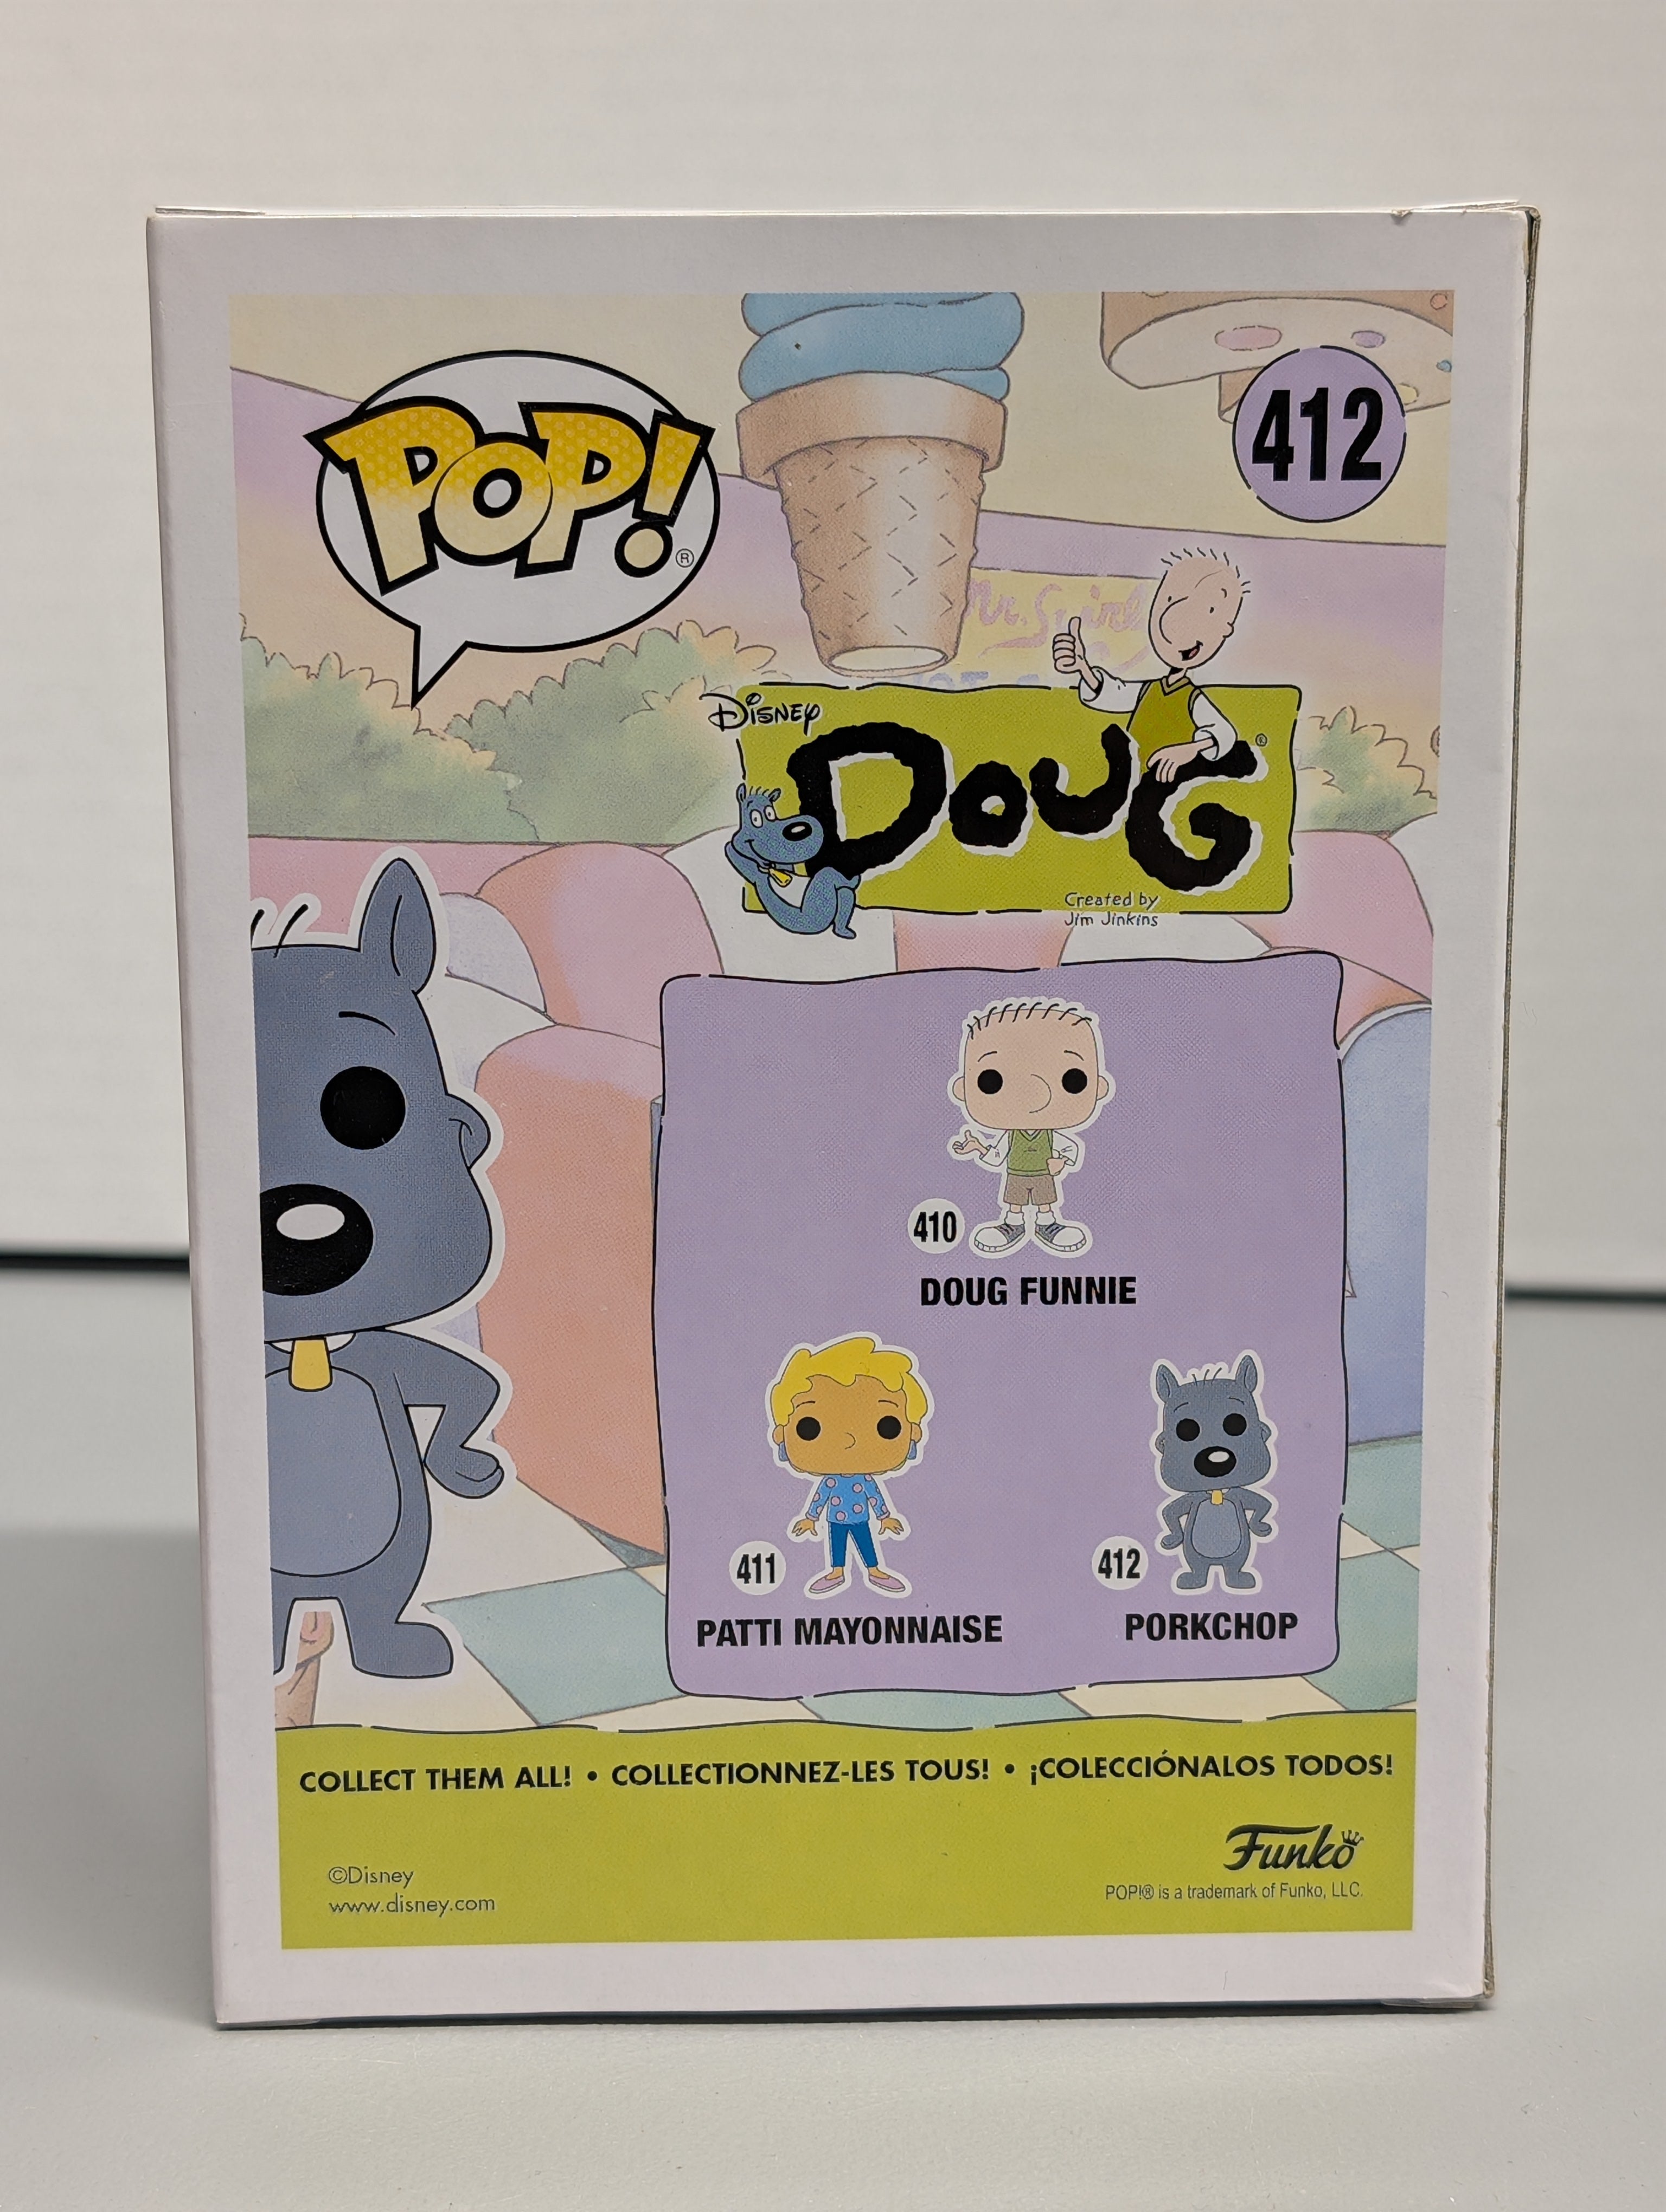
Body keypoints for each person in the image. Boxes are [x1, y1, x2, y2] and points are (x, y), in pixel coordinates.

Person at [1052, 549, 1247, 781]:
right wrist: (1083, 668)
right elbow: (1114, 693)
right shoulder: (1149, 690)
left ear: (1225, 629)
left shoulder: (1191, 698)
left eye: (1210, 610)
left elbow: (1223, 732)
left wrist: (1190, 749)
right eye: (1170, 599)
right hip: (1131, 777)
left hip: (1166, 783)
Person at [951, 997, 1112, 1256]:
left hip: (1043, 1175)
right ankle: (1012, 1226)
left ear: (1099, 1087)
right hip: (1016, 1174)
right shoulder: (1010, 1136)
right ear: (963, 1089)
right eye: (991, 1080)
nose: (1035, 1094)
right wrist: (978, 1147)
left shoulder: (1052, 1136)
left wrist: (1061, 1162)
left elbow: (1070, 1149)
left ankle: (1047, 1225)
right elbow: (996, 1156)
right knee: (1014, 1203)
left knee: (1045, 1202)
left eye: (1072, 1079)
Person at [772, 1335, 930, 1599]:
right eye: (810, 1427)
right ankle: (837, 1572)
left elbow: (875, 1495)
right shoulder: (831, 1481)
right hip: (835, 1520)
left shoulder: (865, 1479)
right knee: (837, 1545)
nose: (849, 1439)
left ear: (913, 1432)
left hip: (861, 1519)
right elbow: (820, 1497)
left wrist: (884, 1516)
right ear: (781, 1435)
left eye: (887, 1427)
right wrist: (811, 1518)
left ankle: (874, 1570)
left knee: (866, 1542)